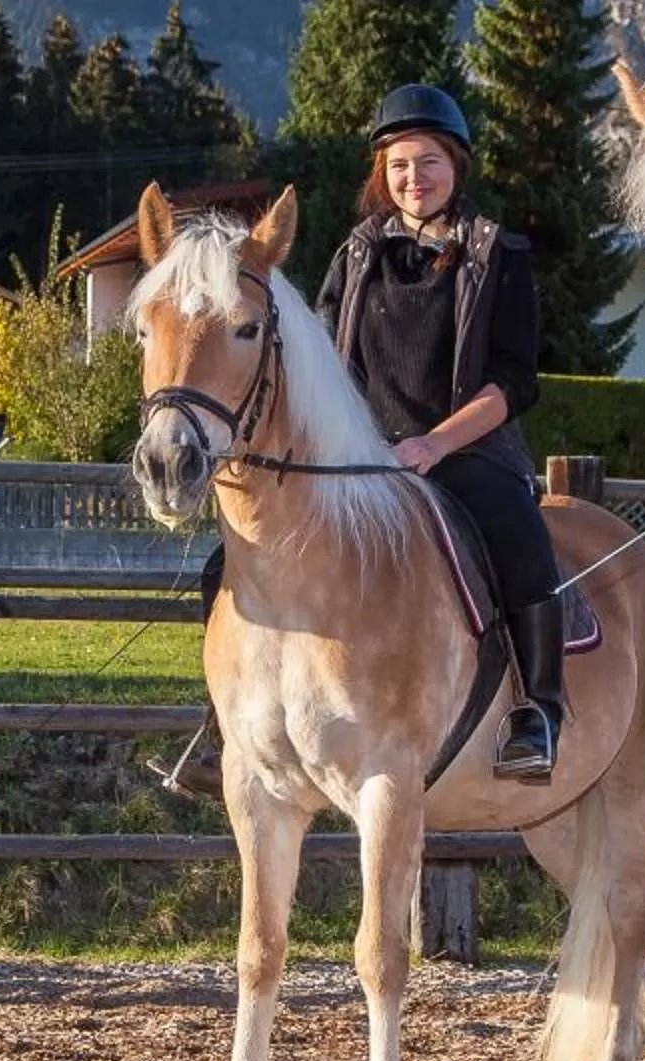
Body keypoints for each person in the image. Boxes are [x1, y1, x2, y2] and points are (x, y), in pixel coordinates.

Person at [165, 84, 569, 792]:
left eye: (429, 162)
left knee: (519, 538)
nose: (415, 178)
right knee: (220, 567)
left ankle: (538, 711)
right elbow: (323, 363)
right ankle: (220, 724)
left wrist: (434, 446)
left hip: (464, 451)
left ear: (457, 166)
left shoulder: (497, 252)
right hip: (357, 459)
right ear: (381, 175)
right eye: (400, 166)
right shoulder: (355, 256)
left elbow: (514, 382)